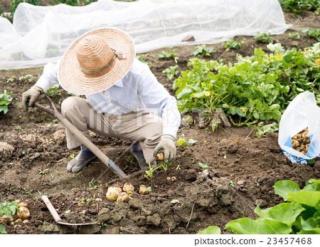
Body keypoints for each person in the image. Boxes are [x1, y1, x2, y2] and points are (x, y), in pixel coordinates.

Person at [22, 28, 181, 173]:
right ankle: (87, 149)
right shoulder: (79, 66)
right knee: (69, 105)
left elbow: (167, 103)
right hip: (100, 117)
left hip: (135, 120)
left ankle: (140, 148)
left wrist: (169, 137)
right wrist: (38, 87)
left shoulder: (137, 72)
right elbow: (53, 71)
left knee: (158, 129)